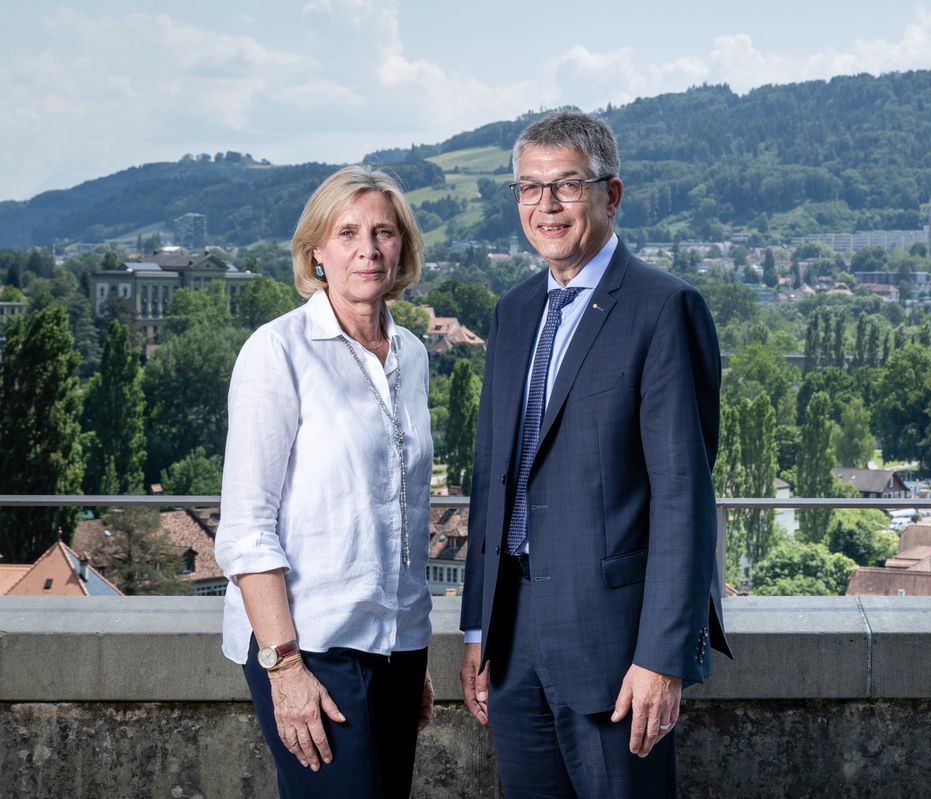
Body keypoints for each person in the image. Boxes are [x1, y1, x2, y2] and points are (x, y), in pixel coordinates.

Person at [459, 111, 732, 798]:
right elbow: (492, 480)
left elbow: (682, 499)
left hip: (616, 654)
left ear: (611, 195)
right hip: (513, 645)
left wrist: (662, 658)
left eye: (566, 185)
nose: (544, 206)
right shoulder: (512, 311)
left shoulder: (664, 307)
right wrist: (476, 626)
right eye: (529, 188)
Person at [215, 164, 434, 798]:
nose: (368, 249)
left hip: (396, 647)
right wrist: (284, 667)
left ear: (403, 248)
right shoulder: (277, 350)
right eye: (347, 232)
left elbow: (405, 512)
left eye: (384, 232)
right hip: (310, 647)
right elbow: (247, 527)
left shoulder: (412, 355)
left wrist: (408, 647)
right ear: (316, 252)